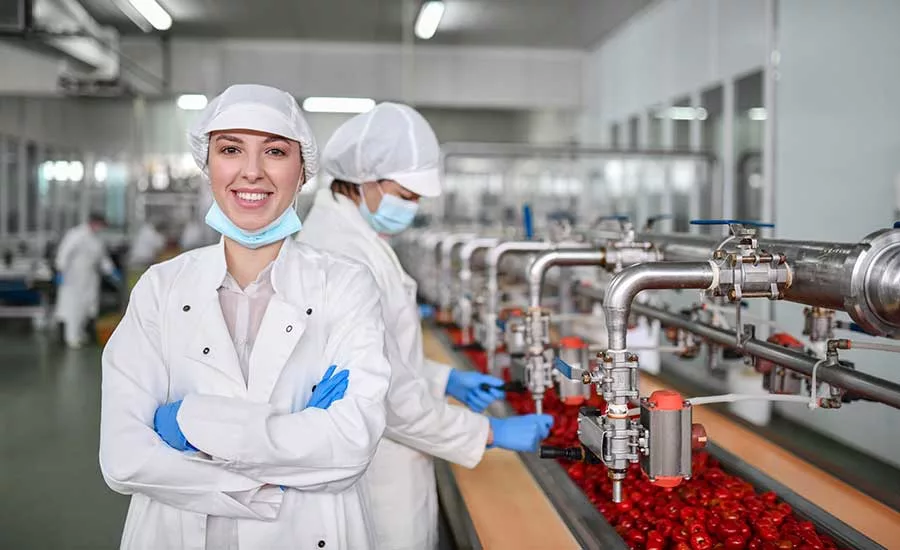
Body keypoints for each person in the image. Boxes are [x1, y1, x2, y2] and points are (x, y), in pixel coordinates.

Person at [99, 84, 392, 550]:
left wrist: (191, 424)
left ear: (302, 172)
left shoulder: (345, 285)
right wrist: (289, 446)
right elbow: (123, 458)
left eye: (274, 151)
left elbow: (350, 446)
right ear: (208, 165)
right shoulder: (161, 288)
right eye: (231, 149)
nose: (251, 172)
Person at [298, 102, 555, 550]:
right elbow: (384, 393)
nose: (411, 208)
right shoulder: (339, 251)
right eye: (406, 194)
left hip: (390, 457)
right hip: (375, 473)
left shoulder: (354, 235)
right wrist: (489, 432)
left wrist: (444, 378)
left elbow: (381, 357)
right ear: (365, 180)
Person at [54, 212, 119, 348]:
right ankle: (71, 338)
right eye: (100, 225)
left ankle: (80, 334)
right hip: (74, 277)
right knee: (74, 307)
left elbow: (102, 258)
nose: (101, 228)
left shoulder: (96, 238)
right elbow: (64, 253)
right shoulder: (76, 234)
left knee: (87, 307)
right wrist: (60, 270)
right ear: (93, 222)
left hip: (90, 277)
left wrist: (111, 271)